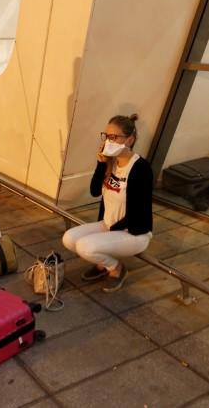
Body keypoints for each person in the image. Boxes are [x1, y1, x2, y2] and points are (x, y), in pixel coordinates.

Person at [62, 114, 153, 292]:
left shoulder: (140, 168)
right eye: (106, 136)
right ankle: (103, 263)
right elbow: (95, 191)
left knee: (85, 246)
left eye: (114, 137)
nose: (108, 141)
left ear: (129, 140)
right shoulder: (112, 162)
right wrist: (101, 164)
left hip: (133, 232)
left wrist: (108, 231)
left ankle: (116, 268)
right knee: (69, 239)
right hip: (110, 225)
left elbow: (138, 212)